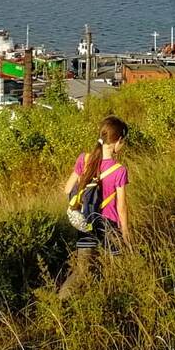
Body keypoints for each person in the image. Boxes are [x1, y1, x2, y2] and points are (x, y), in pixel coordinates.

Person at [59, 115, 130, 296]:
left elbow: (67, 189)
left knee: (82, 271)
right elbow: (121, 208)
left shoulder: (84, 159)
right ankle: (111, 300)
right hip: (108, 226)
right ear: (118, 141)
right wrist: (126, 234)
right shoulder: (119, 170)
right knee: (119, 268)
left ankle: (60, 301)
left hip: (86, 222)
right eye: (123, 141)